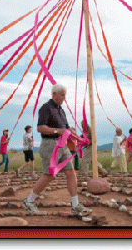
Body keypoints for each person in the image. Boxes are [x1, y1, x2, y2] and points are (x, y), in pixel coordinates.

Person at [22, 84, 92, 217]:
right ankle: (29, 201)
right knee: (49, 175)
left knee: (71, 172)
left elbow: (65, 127)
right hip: (49, 145)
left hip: (62, 145)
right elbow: (40, 128)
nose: (64, 98)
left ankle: (75, 204)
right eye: (62, 95)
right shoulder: (45, 108)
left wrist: (70, 130)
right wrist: (57, 131)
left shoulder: (62, 111)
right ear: (54, 94)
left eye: (65, 95)